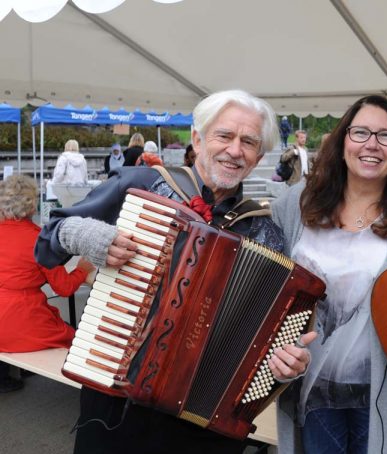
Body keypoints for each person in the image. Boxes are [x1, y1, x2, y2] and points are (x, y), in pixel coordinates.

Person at [35, 90, 314, 454]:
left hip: (203, 424)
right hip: (113, 400)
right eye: (225, 135)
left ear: (258, 157)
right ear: (197, 139)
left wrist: (284, 366)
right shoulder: (138, 185)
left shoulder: (266, 233)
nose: (235, 150)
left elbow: (269, 344)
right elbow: (47, 243)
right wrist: (87, 235)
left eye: (248, 142)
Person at [272, 95, 387, 453]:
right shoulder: (295, 205)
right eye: (360, 132)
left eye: (386, 136)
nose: (372, 144)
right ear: (343, 140)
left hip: (379, 391)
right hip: (307, 386)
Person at [0, 175, 94, 392]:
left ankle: (6, 376)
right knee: (73, 335)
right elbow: (64, 288)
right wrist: (82, 269)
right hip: (23, 317)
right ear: (32, 205)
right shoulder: (38, 239)